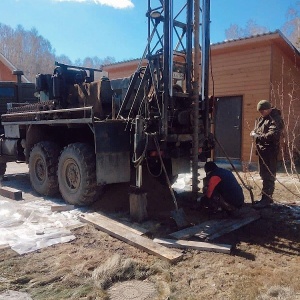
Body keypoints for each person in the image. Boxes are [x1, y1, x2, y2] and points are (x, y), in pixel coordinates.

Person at [250, 100, 284, 208]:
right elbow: (259, 130)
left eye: (262, 111)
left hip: (270, 151)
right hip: (262, 151)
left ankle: (267, 198)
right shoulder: (262, 118)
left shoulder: (275, 119)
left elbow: (273, 135)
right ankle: (265, 195)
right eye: (260, 111)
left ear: (268, 109)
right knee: (263, 174)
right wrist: (254, 132)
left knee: (269, 174)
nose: (261, 113)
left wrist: (258, 136)